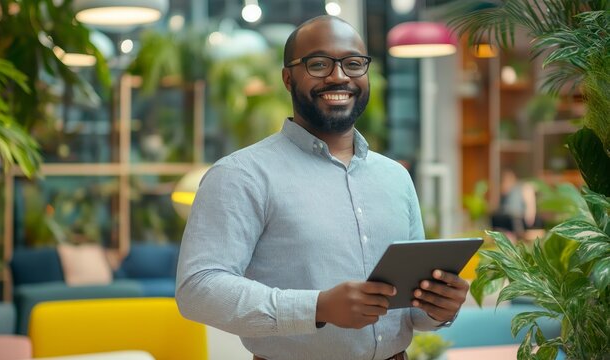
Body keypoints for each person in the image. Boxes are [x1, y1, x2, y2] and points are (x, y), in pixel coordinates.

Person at [176, 15, 469, 360]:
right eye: (318, 64)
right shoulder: (241, 174)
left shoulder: (395, 177)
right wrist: (318, 307)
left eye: (353, 64)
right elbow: (197, 290)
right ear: (288, 78)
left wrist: (439, 307)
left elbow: (413, 314)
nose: (339, 76)